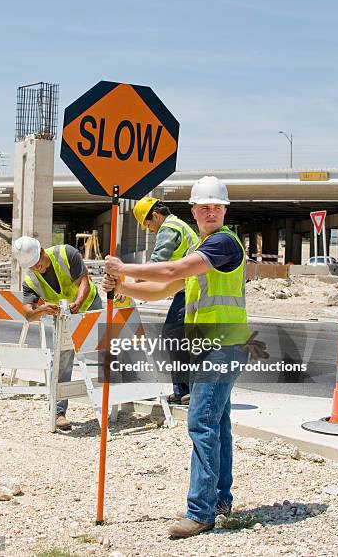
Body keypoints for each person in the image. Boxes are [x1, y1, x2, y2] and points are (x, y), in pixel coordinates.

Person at [103, 176, 252, 538]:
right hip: (210, 347)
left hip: (223, 347)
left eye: (216, 206)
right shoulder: (204, 249)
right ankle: (220, 500)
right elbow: (165, 288)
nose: (210, 211)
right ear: (194, 210)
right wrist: (121, 287)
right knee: (219, 426)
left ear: (225, 210)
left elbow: (172, 270)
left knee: (200, 424)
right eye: (204, 206)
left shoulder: (223, 244)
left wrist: (124, 269)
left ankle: (200, 513)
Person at [12, 236, 102, 431]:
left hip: (89, 304)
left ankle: (122, 393)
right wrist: (42, 310)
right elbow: (28, 314)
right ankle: (59, 412)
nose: (37, 268)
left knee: (105, 348)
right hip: (62, 316)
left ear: (42, 251)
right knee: (61, 360)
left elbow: (84, 281)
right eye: (32, 266)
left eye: (38, 263)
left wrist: (77, 304)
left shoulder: (66, 253)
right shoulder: (30, 281)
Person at [133, 197, 198, 404]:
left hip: (194, 287)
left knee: (174, 333)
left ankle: (188, 390)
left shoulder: (169, 228)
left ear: (155, 215)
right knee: (177, 334)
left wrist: (132, 280)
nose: (149, 230)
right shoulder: (176, 225)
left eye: (148, 224)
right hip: (188, 285)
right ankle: (182, 390)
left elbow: (158, 262)